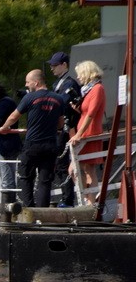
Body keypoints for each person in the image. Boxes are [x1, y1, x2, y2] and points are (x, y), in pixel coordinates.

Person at [0, 69, 66, 208]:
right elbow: (61, 123)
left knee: (26, 177)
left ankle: (29, 209)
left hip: (33, 144)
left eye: (28, 82)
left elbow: (13, 116)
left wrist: (4, 128)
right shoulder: (58, 99)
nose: (26, 85)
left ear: (36, 82)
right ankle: (43, 213)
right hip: (50, 144)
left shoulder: (29, 98)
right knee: (45, 181)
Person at [69, 60, 107, 206]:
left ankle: (90, 201)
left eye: (79, 74)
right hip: (85, 131)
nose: (78, 77)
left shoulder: (97, 89)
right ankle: (89, 200)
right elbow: (87, 112)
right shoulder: (89, 89)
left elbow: (91, 114)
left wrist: (78, 135)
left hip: (90, 133)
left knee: (81, 168)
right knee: (84, 168)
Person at [48, 52, 81, 207]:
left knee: (63, 163)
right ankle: (65, 197)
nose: (52, 68)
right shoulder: (58, 84)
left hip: (67, 128)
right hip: (58, 128)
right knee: (59, 164)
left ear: (64, 65)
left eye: (55, 65)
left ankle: (68, 199)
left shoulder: (69, 83)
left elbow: (62, 103)